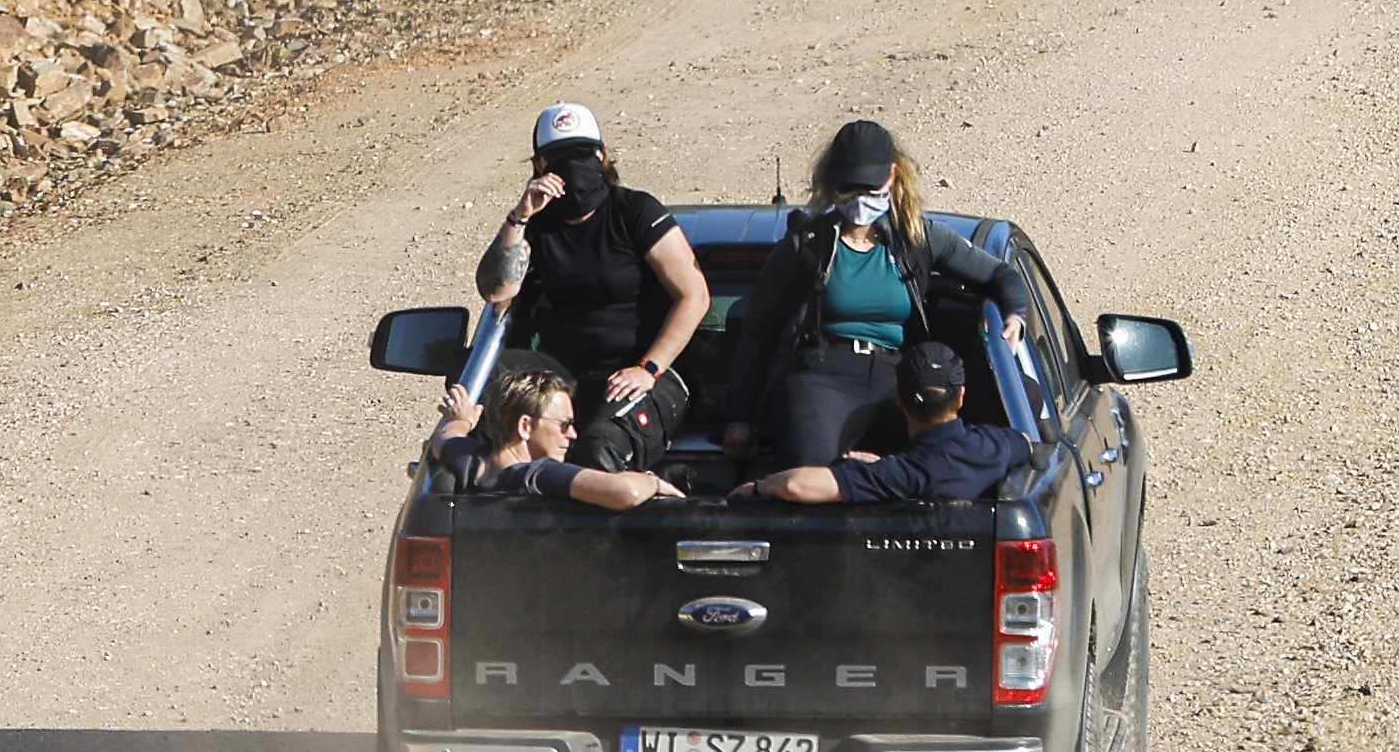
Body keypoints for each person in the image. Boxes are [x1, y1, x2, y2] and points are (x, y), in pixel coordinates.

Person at [723, 120, 1030, 469]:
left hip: (898, 379)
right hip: (821, 378)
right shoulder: (804, 246)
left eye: (868, 187)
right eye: (848, 188)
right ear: (831, 184)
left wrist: (1015, 315)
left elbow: (1000, 274)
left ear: (892, 176)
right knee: (813, 472)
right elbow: (757, 332)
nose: (859, 199)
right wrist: (740, 418)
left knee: (934, 466)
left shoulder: (917, 239)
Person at [475, 102, 711, 471]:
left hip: (644, 373)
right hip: (566, 376)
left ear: (602, 155)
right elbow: (496, 292)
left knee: (598, 450)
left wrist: (649, 368)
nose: (572, 164)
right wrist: (520, 217)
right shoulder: (537, 226)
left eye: (582, 153)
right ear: (540, 165)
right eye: (558, 156)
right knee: (479, 370)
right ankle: (501, 486)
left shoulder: (634, 211)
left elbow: (694, 296)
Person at [729, 342, 1029, 504]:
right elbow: (1028, 443)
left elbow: (796, 485)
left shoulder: (903, 474)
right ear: (961, 397)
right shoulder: (996, 444)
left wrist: (759, 487)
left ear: (898, 399)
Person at [429, 371, 683, 510]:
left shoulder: (469, 460)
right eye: (565, 425)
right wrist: (654, 481)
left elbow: (444, 438)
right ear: (525, 426)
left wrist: (461, 420)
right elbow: (627, 492)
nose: (572, 435)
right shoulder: (538, 475)